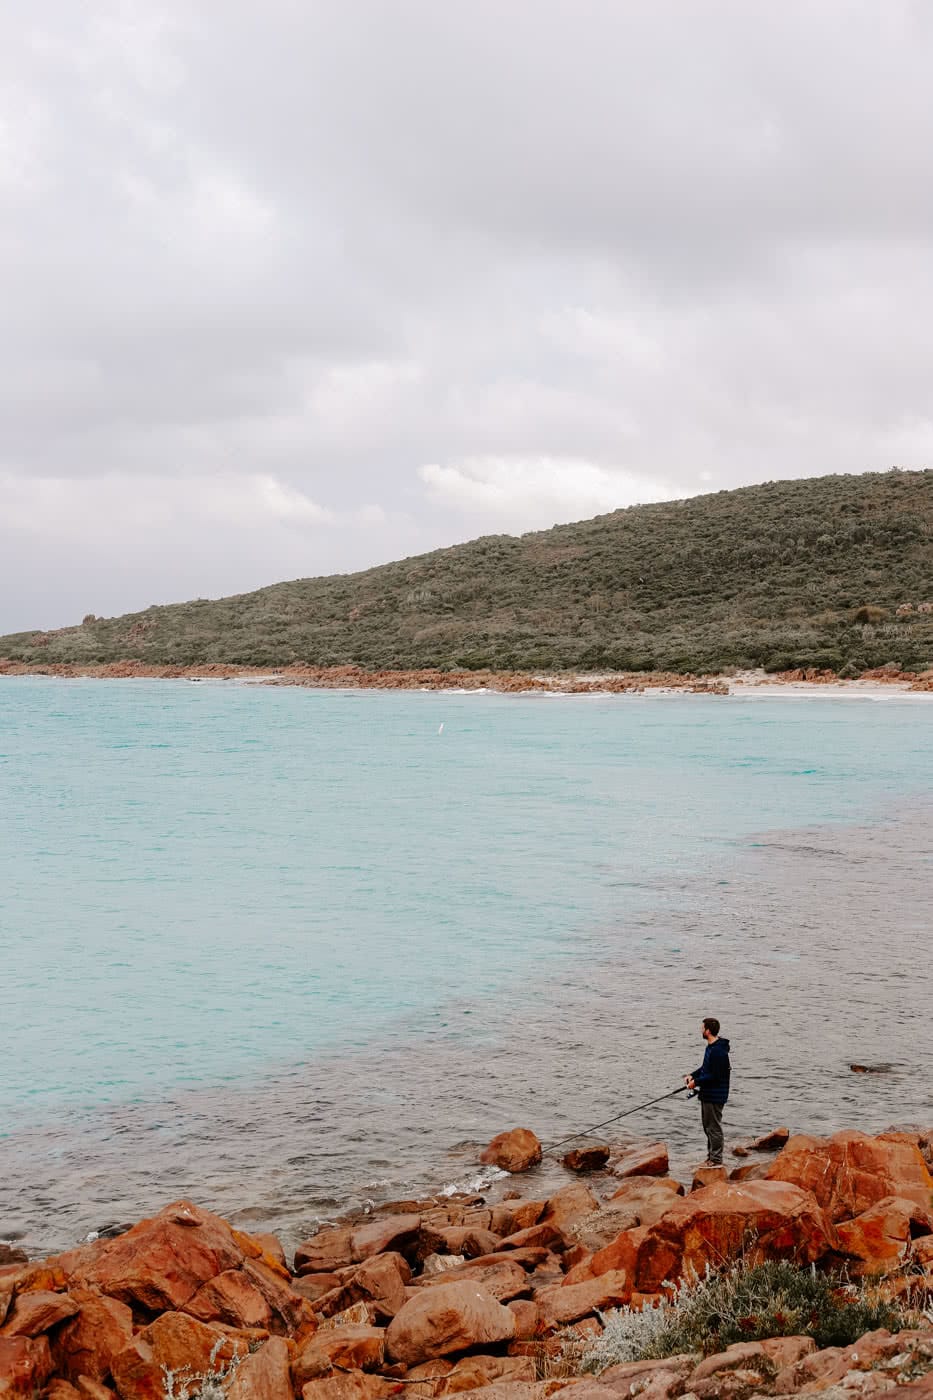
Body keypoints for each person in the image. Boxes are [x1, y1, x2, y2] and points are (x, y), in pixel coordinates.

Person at [685, 1017, 731, 1166]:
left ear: (708, 1031)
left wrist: (696, 1083)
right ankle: (711, 1156)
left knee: (714, 1127)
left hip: (715, 1095)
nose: (701, 1030)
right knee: (707, 1126)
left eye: (702, 1028)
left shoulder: (718, 1051)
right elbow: (706, 1069)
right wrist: (693, 1075)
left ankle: (716, 1160)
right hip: (707, 1093)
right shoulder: (711, 1047)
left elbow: (715, 1075)